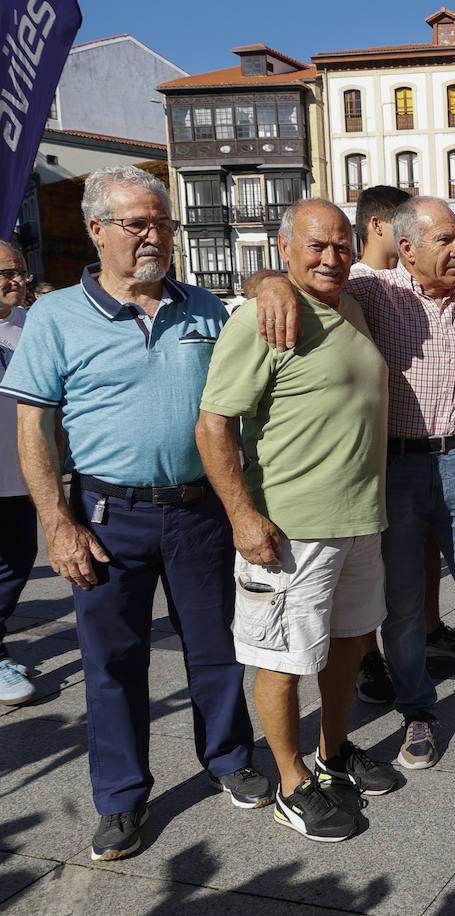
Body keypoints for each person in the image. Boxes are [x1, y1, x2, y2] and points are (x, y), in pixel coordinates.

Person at [1, 166, 268, 861]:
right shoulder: (56, 316)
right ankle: (121, 799)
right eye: (139, 224)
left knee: (216, 648)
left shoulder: (204, 307)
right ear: (96, 230)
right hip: (104, 515)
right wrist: (57, 524)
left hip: (197, 510)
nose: (157, 237)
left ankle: (230, 759)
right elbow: (34, 429)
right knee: (112, 663)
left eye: (164, 224)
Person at [257, 195, 455, 770]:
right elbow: (303, 275)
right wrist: (269, 286)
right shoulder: (374, 290)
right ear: (406, 249)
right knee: (403, 604)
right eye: (444, 241)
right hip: (396, 469)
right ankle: (417, 712)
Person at [197, 199, 398, 842]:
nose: (331, 257)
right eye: (315, 246)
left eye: (341, 245)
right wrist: (242, 517)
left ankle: (332, 754)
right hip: (290, 527)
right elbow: (213, 425)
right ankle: (289, 781)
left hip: (359, 518)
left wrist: (276, 277)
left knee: (346, 643)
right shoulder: (262, 316)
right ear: (284, 249)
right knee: (281, 659)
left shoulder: (354, 306)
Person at [346, 185, 455, 709]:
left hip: (445, 454)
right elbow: (284, 284)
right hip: (376, 455)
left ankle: (430, 628)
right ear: (384, 227)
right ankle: (371, 658)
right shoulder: (362, 285)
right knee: (382, 573)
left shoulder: (431, 286)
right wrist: (271, 287)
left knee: (419, 553)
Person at [0, 240, 36, 705]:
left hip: (21, 476)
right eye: (7, 273)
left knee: (19, 559)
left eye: (21, 272)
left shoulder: (32, 324)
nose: (17, 282)